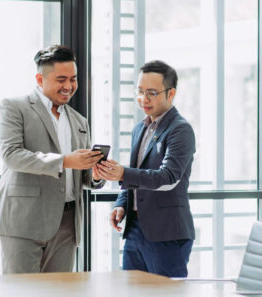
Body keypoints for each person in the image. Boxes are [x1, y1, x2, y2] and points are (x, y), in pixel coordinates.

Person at [0, 45, 104, 274]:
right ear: (39, 79)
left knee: (60, 292)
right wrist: (65, 161)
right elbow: (12, 155)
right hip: (24, 220)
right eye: (61, 79)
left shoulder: (80, 121)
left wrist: (95, 175)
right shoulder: (13, 108)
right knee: (22, 292)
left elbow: (79, 174)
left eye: (73, 79)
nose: (69, 86)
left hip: (68, 224)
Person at [95, 60, 195, 277]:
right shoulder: (140, 128)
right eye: (140, 92)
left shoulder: (180, 130)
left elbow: (168, 177)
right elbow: (137, 176)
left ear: (171, 94)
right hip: (134, 230)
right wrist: (122, 204)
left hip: (166, 234)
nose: (144, 99)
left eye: (151, 92)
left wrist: (122, 173)